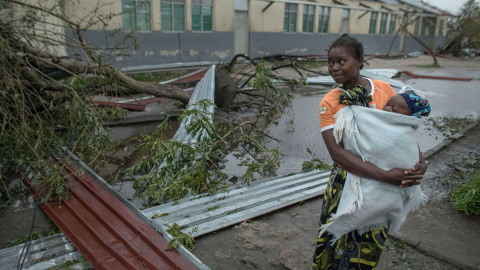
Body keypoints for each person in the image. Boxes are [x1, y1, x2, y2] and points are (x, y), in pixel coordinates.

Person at [312, 34, 428, 270]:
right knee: (335, 238)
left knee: (368, 242)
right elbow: (337, 153)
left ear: (360, 61)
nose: (334, 67)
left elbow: (403, 131)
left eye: (341, 61)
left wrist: (420, 162)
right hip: (347, 181)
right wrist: (386, 176)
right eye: (330, 62)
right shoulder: (330, 101)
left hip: (383, 189)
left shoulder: (384, 90)